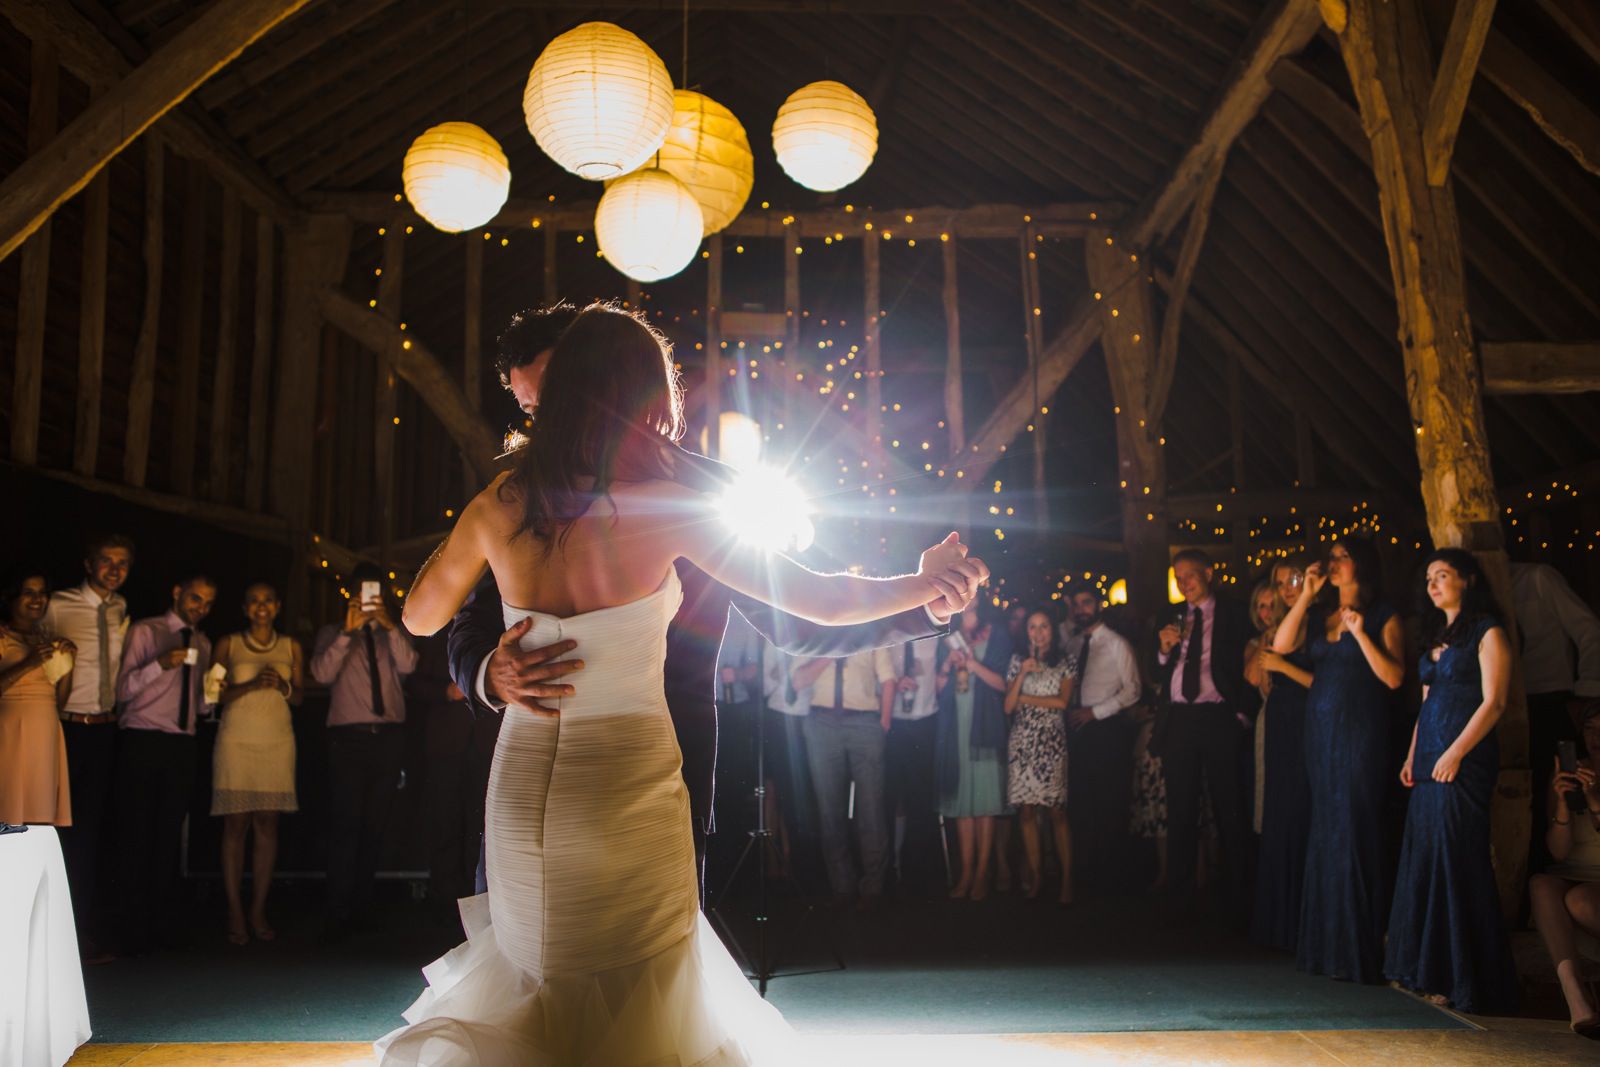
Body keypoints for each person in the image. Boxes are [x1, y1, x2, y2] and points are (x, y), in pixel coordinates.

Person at [378, 303, 983, 1066]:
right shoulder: (669, 510)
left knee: (533, 979)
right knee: (644, 992)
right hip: (628, 780)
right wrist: (923, 583)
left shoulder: (500, 504)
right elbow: (820, 599)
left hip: (525, 785)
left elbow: (422, 614)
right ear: (647, 398)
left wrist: (492, 556)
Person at [445, 305, 982, 902]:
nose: (547, 422)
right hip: (535, 759)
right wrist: (486, 672)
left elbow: (801, 615)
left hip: (663, 752)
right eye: (530, 410)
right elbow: (466, 618)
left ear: (600, 379)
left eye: (556, 395)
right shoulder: (517, 499)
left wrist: (925, 603)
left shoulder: (705, 493)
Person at [1384, 549, 1519, 1014]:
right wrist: (1411, 754)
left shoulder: (1488, 631)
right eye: (1428, 578)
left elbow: (1495, 702)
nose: (1433, 584)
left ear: (1468, 580)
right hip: (1427, 758)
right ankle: (1426, 969)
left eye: (1443, 575)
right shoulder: (1435, 636)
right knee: (1425, 854)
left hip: (1464, 758)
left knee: (1457, 857)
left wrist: (1456, 752)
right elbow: (1426, 703)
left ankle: (1463, 976)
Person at [1274, 536, 1404, 984]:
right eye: (1330, 557)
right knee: (1326, 828)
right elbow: (1281, 643)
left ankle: (1359, 950)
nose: (1333, 563)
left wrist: (1361, 632)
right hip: (1319, 733)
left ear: (1362, 565)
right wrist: (1307, 594)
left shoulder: (1384, 614)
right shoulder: (1318, 615)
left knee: (1353, 828)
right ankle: (1324, 948)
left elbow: (1393, 678)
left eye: (1343, 557)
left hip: (1360, 732)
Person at [311, 564, 420, 939]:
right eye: (360, 594)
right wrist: (347, 631)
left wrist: (389, 624)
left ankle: (362, 909)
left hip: (388, 738)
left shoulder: (393, 634)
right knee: (345, 824)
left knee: (375, 825)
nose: (367, 600)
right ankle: (336, 912)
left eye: (371, 593)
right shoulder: (332, 633)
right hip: (348, 738)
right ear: (351, 596)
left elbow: (410, 664)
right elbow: (322, 675)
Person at [112, 574, 218, 954]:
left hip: (183, 745)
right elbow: (120, 691)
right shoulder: (147, 631)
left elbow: (200, 705)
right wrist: (160, 663)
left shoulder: (203, 643)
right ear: (176, 591)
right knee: (136, 833)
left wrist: (211, 696)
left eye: (207, 603)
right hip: (143, 739)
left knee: (169, 835)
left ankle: (160, 924)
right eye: (194, 598)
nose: (199, 607)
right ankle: (128, 925)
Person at [43, 533, 133, 957]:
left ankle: (78, 932)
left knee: (90, 832)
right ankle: (47, 936)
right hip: (65, 726)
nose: (114, 570)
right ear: (87, 563)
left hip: (105, 729)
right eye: (106, 560)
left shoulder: (120, 608)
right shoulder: (57, 604)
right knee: (55, 829)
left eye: (123, 563)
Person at [1154, 549, 1252, 921]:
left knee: (1229, 807)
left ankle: (1237, 898)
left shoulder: (1234, 612)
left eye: (1190, 575)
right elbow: (1157, 669)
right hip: (1179, 718)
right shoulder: (1170, 615)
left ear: (1209, 574)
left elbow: (1248, 660)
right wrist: (1163, 652)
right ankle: (1179, 902)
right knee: (1180, 809)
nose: (1183, 583)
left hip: (1218, 716)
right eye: (1178, 578)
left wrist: (1240, 715)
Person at [211, 583, 303, 945]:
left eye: (268, 600)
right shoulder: (228, 644)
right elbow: (211, 694)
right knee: (235, 826)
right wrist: (249, 684)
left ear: (277, 606)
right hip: (236, 740)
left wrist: (283, 686)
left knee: (267, 824)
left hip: (277, 742)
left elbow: (298, 699)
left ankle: (257, 909)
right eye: (254, 601)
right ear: (246, 608)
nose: (261, 606)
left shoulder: (290, 645)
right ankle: (234, 911)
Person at [1512, 561, 1600, 874]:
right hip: (1506, 706)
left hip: (1551, 699)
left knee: (1553, 788)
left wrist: (1586, 695)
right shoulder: (1474, 590)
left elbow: (1588, 629)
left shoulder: (1536, 578)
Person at [794, 645, 897, 909]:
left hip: (865, 724)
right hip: (822, 724)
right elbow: (798, 680)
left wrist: (883, 723)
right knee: (830, 811)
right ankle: (842, 887)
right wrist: (833, 651)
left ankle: (873, 888)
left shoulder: (871, 630)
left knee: (871, 810)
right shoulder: (817, 633)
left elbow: (888, 680)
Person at [1247, 562, 1315, 953]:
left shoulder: (1317, 623)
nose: (1287, 588)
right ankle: (1278, 923)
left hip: (1308, 719)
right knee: (1277, 813)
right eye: (1280, 583)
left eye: (1294, 580)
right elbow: (1263, 682)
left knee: (1301, 813)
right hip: (1278, 719)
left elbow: (1328, 682)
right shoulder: (1279, 630)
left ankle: (1304, 919)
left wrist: (1283, 664)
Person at [1062, 588, 1141, 894]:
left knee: (1109, 803)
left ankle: (1112, 878)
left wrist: (1094, 713)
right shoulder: (1072, 643)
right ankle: (1086, 873)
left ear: (1098, 606)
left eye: (1087, 603)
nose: (1082, 609)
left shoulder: (1117, 644)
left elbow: (1133, 690)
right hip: (1076, 732)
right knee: (1082, 803)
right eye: (1077, 604)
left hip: (1106, 730)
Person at [1529, 705, 1600, 1039]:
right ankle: (1577, 1000)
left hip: (1593, 884)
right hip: (1571, 873)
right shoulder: (1571, 771)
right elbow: (1558, 851)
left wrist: (1595, 800)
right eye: (1589, 728)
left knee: (1581, 898)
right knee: (1542, 886)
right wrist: (1561, 801)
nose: (1595, 736)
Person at [936, 606, 1012, 900]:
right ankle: (966, 872)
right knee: (962, 804)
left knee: (984, 801)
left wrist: (972, 663)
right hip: (956, 726)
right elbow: (939, 687)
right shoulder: (947, 635)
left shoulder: (998, 635)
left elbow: (1004, 684)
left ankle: (982, 873)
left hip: (985, 725)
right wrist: (948, 666)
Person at [1005, 608, 1076, 906]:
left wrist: (1024, 698)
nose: (1038, 632)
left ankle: (1067, 879)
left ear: (1052, 629)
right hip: (1022, 743)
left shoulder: (1066, 661)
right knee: (1027, 812)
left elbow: (1061, 702)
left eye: (1044, 626)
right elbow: (1008, 707)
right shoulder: (1017, 662)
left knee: (1057, 812)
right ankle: (1036, 876)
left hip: (1051, 743)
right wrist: (1022, 674)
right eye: (1033, 627)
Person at [0, 571, 74, 825]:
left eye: (42, 593)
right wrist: (29, 663)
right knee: (8, 807)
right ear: (11, 597)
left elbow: (60, 703)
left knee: (39, 814)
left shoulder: (47, 639)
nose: (37, 599)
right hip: (9, 732)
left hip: (46, 732)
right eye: (28, 592)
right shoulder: (2, 637)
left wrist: (68, 664)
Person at [886, 632, 942, 897]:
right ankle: (890, 870)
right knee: (891, 798)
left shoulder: (935, 633)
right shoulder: (889, 632)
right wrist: (894, 684)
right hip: (893, 722)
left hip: (925, 721)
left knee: (920, 799)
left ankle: (917, 873)